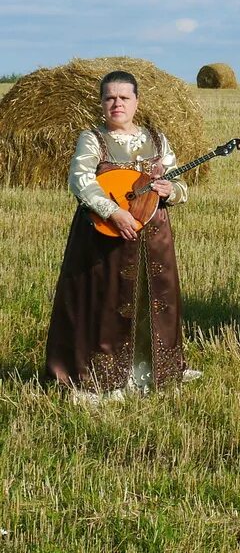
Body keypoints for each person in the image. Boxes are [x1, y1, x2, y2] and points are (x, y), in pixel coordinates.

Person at [44, 70, 199, 402]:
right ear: (101, 103)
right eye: (110, 97)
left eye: (124, 97)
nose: (117, 103)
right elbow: (80, 180)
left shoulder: (158, 139)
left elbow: (180, 186)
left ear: (136, 102)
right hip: (106, 234)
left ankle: (153, 371)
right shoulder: (92, 138)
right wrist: (114, 212)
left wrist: (171, 189)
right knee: (105, 301)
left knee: (154, 300)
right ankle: (101, 375)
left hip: (154, 237)